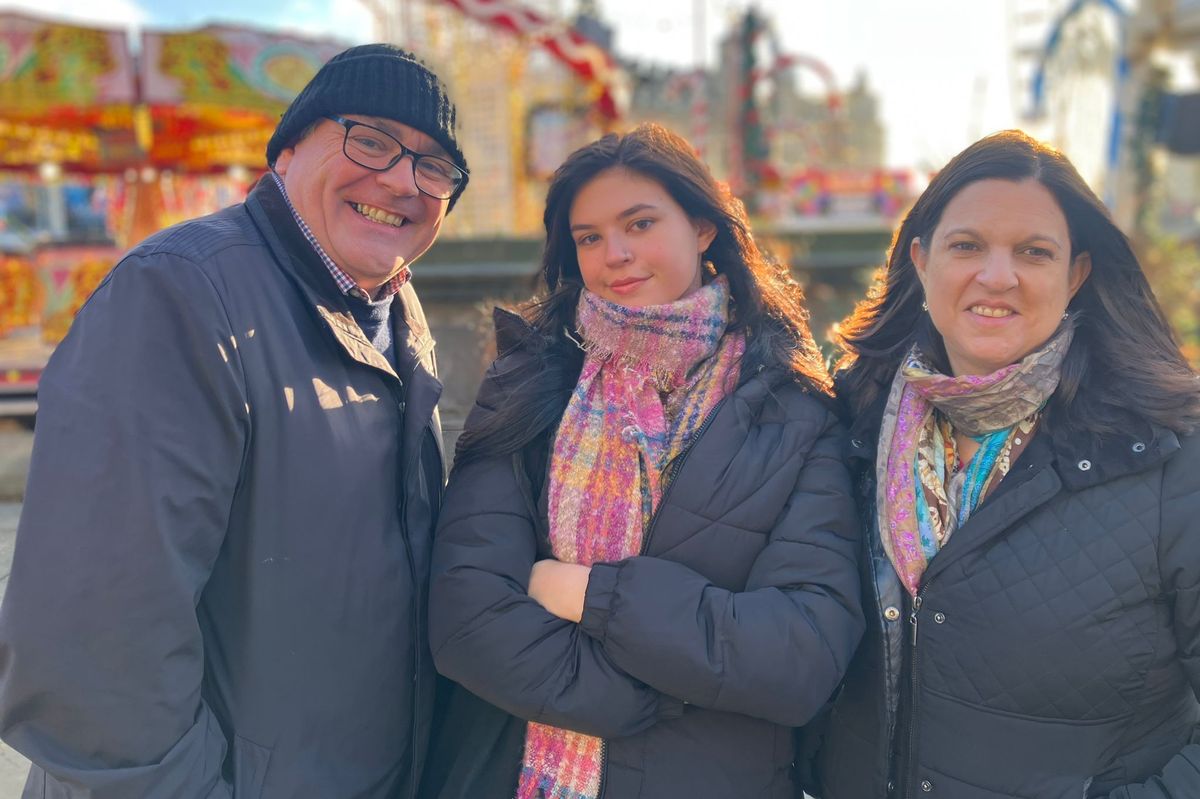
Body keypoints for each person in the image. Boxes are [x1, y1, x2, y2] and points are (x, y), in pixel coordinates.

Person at [0, 44, 468, 798]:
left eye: (435, 166)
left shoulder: (393, 308)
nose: (402, 180)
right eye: (372, 140)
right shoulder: (180, 296)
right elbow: (94, 650)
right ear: (286, 150)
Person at [420, 123, 863, 799]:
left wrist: (592, 596)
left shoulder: (796, 410)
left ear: (704, 227)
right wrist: (649, 699)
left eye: (640, 223)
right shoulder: (529, 380)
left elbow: (803, 653)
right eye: (589, 237)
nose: (615, 255)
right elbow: (467, 615)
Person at [811, 130, 1200, 799]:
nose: (997, 276)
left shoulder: (1170, 454)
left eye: (1033, 252)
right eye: (967, 246)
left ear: (1076, 274)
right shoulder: (845, 426)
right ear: (921, 260)